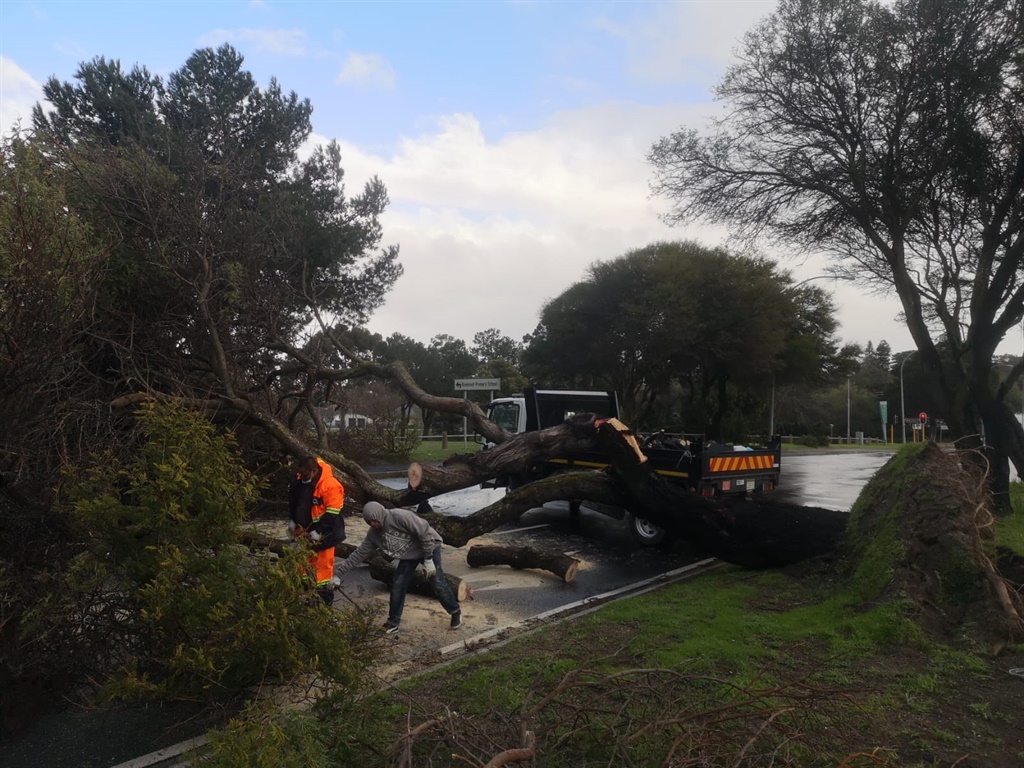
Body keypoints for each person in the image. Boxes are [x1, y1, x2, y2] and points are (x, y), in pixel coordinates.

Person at [331, 501, 461, 634]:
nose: (373, 524)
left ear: (379, 515)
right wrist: (338, 574)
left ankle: (455, 612)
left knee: (437, 581)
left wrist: (428, 559)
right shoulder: (374, 534)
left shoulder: (400, 516)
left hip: (429, 546)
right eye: (369, 522)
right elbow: (358, 554)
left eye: (374, 520)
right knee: (398, 584)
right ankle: (393, 623)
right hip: (410, 554)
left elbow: (424, 532)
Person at [288, 455, 345, 606]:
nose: (302, 478)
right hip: (304, 531)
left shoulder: (330, 485)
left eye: (305, 475)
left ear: (314, 471)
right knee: (303, 568)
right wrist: (293, 520)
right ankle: (306, 598)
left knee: (323, 572)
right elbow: (295, 502)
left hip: (326, 534)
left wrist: (318, 532)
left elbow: (332, 514)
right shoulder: (300, 480)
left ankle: (324, 604)